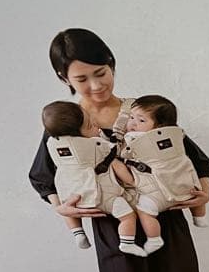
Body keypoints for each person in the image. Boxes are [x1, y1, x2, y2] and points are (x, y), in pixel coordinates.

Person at [29, 28, 209, 272]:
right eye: (82, 79)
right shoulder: (65, 122)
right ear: (63, 78)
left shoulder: (143, 110)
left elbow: (194, 157)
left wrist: (204, 190)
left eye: (101, 73)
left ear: (112, 65)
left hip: (162, 213)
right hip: (112, 222)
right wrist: (62, 207)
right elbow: (41, 175)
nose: (96, 85)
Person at [41, 100, 146, 256]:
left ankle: (77, 232)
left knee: (66, 205)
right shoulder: (96, 145)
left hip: (74, 197)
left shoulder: (52, 144)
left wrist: (58, 207)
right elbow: (116, 164)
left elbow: (42, 175)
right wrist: (135, 182)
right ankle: (126, 242)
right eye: (90, 125)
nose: (96, 126)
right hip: (103, 198)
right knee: (128, 216)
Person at [121, 95, 208, 253]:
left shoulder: (134, 138)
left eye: (141, 120)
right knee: (195, 190)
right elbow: (201, 162)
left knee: (144, 211)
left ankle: (154, 238)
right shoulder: (178, 135)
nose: (132, 123)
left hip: (159, 193)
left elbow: (125, 155)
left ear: (160, 126)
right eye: (131, 117)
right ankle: (200, 217)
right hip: (186, 183)